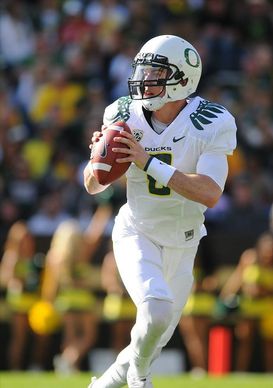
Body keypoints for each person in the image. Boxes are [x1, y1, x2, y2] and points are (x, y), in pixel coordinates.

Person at [83, 34, 237, 388]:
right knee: (155, 311)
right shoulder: (122, 113)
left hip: (184, 243)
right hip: (138, 232)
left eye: (155, 72)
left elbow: (210, 193)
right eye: (143, 70)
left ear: (183, 78)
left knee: (152, 338)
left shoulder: (211, 121)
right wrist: (98, 162)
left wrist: (146, 161)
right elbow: (93, 186)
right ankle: (141, 380)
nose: (145, 79)